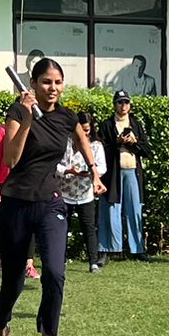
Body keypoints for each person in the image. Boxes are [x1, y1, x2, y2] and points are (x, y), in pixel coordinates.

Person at [0, 57, 101, 336]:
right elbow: (10, 158)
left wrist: (94, 170)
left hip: (50, 203)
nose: (53, 88)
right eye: (47, 82)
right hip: (16, 204)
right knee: (13, 282)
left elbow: (81, 138)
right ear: (33, 84)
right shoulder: (18, 112)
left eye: (58, 82)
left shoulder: (66, 116)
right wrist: (28, 120)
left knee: (55, 274)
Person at [97, 90, 149, 261]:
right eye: (120, 102)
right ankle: (107, 249)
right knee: (111, 209)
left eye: (126, 102)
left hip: (132, 171)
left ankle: (137, 250)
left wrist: (134, 142)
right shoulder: (106, 125)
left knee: (135, 210)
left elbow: (146, 149)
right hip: (113, 173)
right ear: (114, 105)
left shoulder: (136, 124)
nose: (123, 106)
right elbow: (100, 149)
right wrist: (117, 142)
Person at [58, 109, 107, 273]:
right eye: (81, 130)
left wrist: (92, 173)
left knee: (89, 227)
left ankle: (93, 262)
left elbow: (102, 167)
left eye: (87, 130)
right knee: (62, 228)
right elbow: (56, 164)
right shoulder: (64, 143)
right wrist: (67, 171)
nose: (84, 134)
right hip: (65, 192)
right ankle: (61, 260)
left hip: (85, 193)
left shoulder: (96, 146)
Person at [0, 123, 39, 280]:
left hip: (28, 184)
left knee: (29, 224)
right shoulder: (2, 131)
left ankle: (28, 265)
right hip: (7, 185)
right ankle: (7, 263)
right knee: (9, 226)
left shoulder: (33, 129)